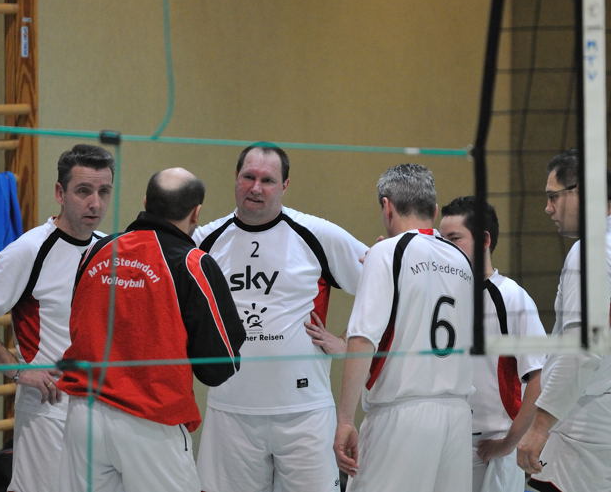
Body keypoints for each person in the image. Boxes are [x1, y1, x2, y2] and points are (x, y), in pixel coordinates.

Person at [57, 167, 246, 492]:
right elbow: (218, 366)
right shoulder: (193, 264)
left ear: (145, 202)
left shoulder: (96, 250)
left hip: (82, 418)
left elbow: (78, 321)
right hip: (151, 421)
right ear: (196, 212)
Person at [194, 142, 367, 492]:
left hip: (304, 412)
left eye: (268, 180)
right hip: (231, 411)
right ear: (236, 177)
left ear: (285, 185)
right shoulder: (205, 241)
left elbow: (384, 286)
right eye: (249, 177)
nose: (256, 188)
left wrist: (347, 343)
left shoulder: (317, 234)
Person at [0, 144, 114, 492]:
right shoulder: (30, 249)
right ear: (60, 193)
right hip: (49, 409)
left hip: (103, 407)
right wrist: (16, 370)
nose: (95, 203)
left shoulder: (110, 249)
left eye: (104, 191)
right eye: (83, 191)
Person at [518, 149, 611, 492]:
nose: (547, 208)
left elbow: (581, 350)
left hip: (593, 424)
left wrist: (539, 426)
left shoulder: (593, 250)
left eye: (553, 196)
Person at [334, 163, 474, 492]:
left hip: (401, 415)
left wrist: (344, 420)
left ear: (387, 206)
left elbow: (362, 340)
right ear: (435, 210)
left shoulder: (385, 253)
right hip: (457, 417)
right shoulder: (462, 261)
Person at [440, 196, 546, 492]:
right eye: (441, 240)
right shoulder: (441, 295)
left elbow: (538, 378)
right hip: (446, 439)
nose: (446, 248)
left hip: (490, 447)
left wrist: (509, 443)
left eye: (454, 239)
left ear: (484, 240)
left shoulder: (512, 297)